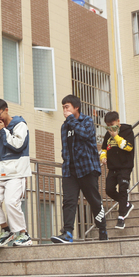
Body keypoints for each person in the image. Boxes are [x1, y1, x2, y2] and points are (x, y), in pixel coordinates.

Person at [51, 95, 108, 243]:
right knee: (69, 201)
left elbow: (86, 135)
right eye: (63, 107)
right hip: (70, 170)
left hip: (87, 168)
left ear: (76, 107)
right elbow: (65, 146)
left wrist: (71, 119)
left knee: (94, 201)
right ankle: (67, 233)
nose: (64, 110)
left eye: (67, 107)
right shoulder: (64, 126)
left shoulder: (87, 121)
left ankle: (102, 229)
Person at [0, 99, 33, 247]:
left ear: (6, 110)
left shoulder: (20, 125)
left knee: (11, 202)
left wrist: (3, 131)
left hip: (16, 172)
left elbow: (18, 145)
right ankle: (6, 231)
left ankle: (23, 234)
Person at [99, 111, 135, 229]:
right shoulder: (107, 134)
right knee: (109, 190)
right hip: (113, 167)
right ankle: (126, 204)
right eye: (108, 125)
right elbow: (104, 148)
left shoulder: (127, 131)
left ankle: (121, 217)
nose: (110, 128)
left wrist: (116, 136)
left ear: (118, 121)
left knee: (123, 189)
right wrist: (103, 157)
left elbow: (128, 147)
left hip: (125, 166)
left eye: (112, 124)